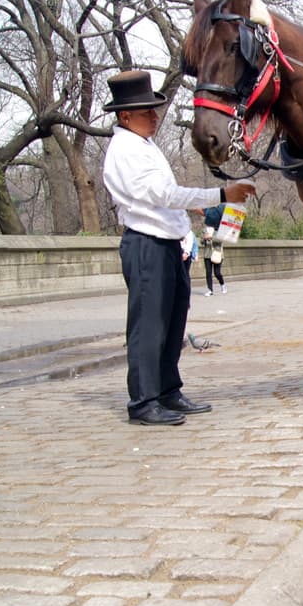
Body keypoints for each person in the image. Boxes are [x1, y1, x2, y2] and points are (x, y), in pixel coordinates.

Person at [102, 69, 253, 426]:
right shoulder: (124, 149)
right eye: (146, 112)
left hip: (168, 243)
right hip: (146, 244)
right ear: (125, 116)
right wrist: (220, 194)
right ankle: (143, 400)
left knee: (172, 322)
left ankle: (167, 389)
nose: (155, 117)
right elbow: (162, 195)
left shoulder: (144, 145)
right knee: (149, 325)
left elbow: (163, 199)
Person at [200, 211, 226, 296]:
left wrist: (211, 237)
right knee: (208, 272)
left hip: (217, 253)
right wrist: (204, 238)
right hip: (207, 254)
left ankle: (222, 284)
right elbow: (201, 242)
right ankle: (210, 290)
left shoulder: (218, 230)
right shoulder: (204, 230)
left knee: (217, 273)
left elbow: (220, 240)